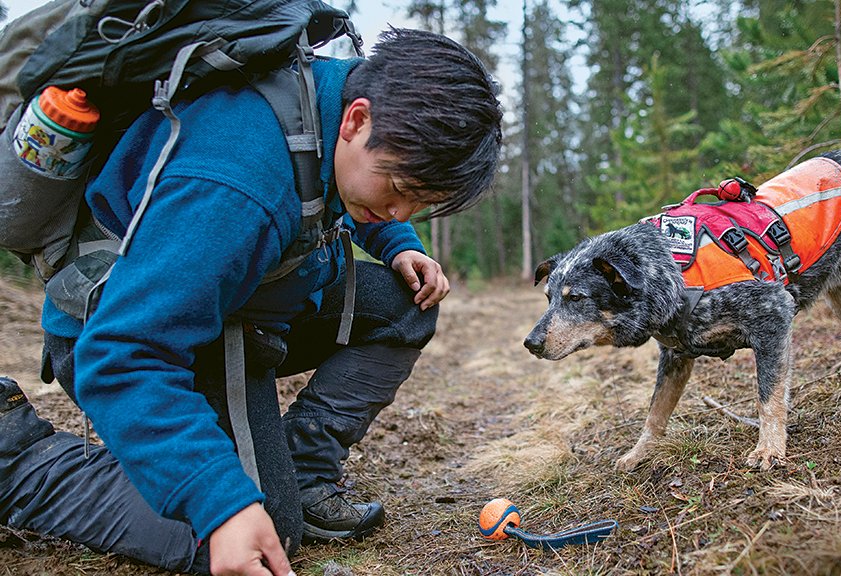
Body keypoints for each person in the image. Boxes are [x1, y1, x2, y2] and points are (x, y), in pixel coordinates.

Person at [0, 27, 502, 575]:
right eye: (398, 190)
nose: (401, 210)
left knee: (407, 304)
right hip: (132, 336)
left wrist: (397, 243)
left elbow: (336, 186)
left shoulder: (329, 105)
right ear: (359, 120)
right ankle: (21, 462)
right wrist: (222, 504)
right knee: (249, 534)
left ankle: (304, 473)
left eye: (419, 203)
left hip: (236, 304)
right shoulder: (235, 184)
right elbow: (121, 355)